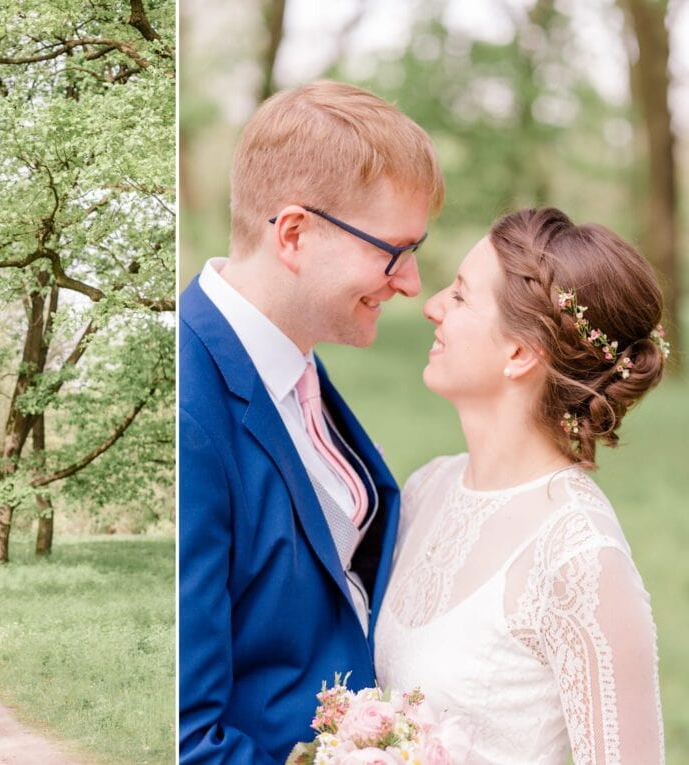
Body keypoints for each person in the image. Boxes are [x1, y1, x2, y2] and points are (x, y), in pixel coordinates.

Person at [179, 80, 445, 764]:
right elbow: (188, 738)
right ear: (294, 234)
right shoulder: (187, 408)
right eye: (393, 249)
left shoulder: (293, 365)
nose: (411, 283)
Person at [374, 207, 667, 762]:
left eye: (460, 296)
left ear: (520, 352)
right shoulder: (427, 487)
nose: (432, 306)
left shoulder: (579, 560)